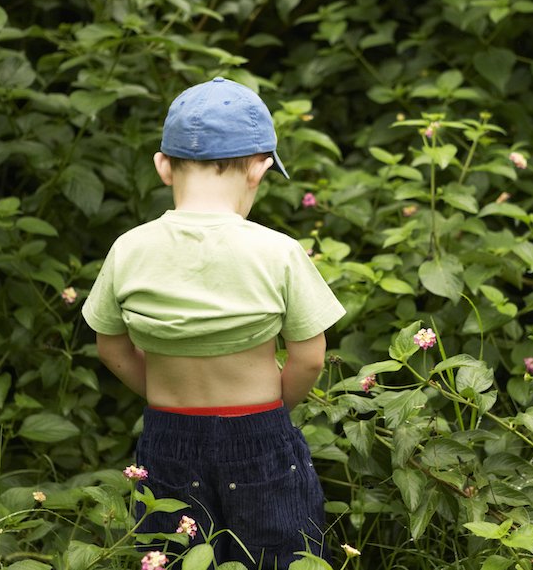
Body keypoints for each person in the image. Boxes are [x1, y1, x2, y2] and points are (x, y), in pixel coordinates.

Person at [81, 77, 346, 569]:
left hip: (166, 437)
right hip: (261, 434)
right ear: (258, 170)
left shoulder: (129, 248)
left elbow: (111, 348)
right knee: (281, 558)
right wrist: (273, 413)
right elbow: (309, 358)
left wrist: (161, 393)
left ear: (163, 166)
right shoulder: (278, 252)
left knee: (173, 557)